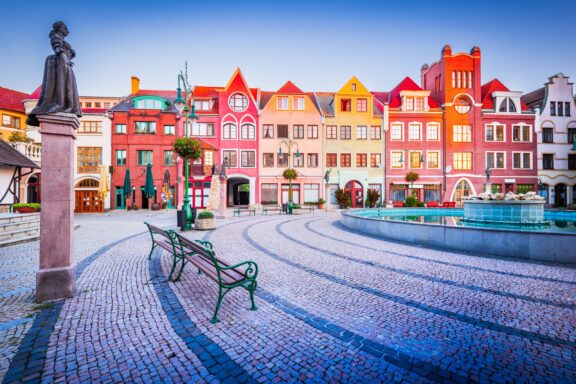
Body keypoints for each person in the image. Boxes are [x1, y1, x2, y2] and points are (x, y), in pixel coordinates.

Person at [27, 21, 82, 126]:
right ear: (59, 28)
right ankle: (61, 104)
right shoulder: (55, 37)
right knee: (62, 84)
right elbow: (59, 50)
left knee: (69, 86)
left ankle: (69, 106)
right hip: (61, 63)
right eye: (65, 28)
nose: (68, 31)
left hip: (65, 63)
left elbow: (65, 51)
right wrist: (66, 60)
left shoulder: (61, 39)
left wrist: (69, 56)